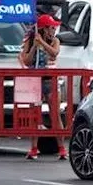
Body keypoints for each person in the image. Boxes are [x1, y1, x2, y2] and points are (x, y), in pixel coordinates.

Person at [18, 14, 67, 161]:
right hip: (35, 80)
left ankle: (62, 148)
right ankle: (33, 148)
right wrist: (34, 45)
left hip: (50, 81)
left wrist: (43, 44)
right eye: (52, 27)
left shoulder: (55, 41)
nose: (54, 30)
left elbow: (54, 53)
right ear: (44, 29)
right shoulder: (30, 40)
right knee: (35, 115)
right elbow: (26, 60)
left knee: (55, 114)